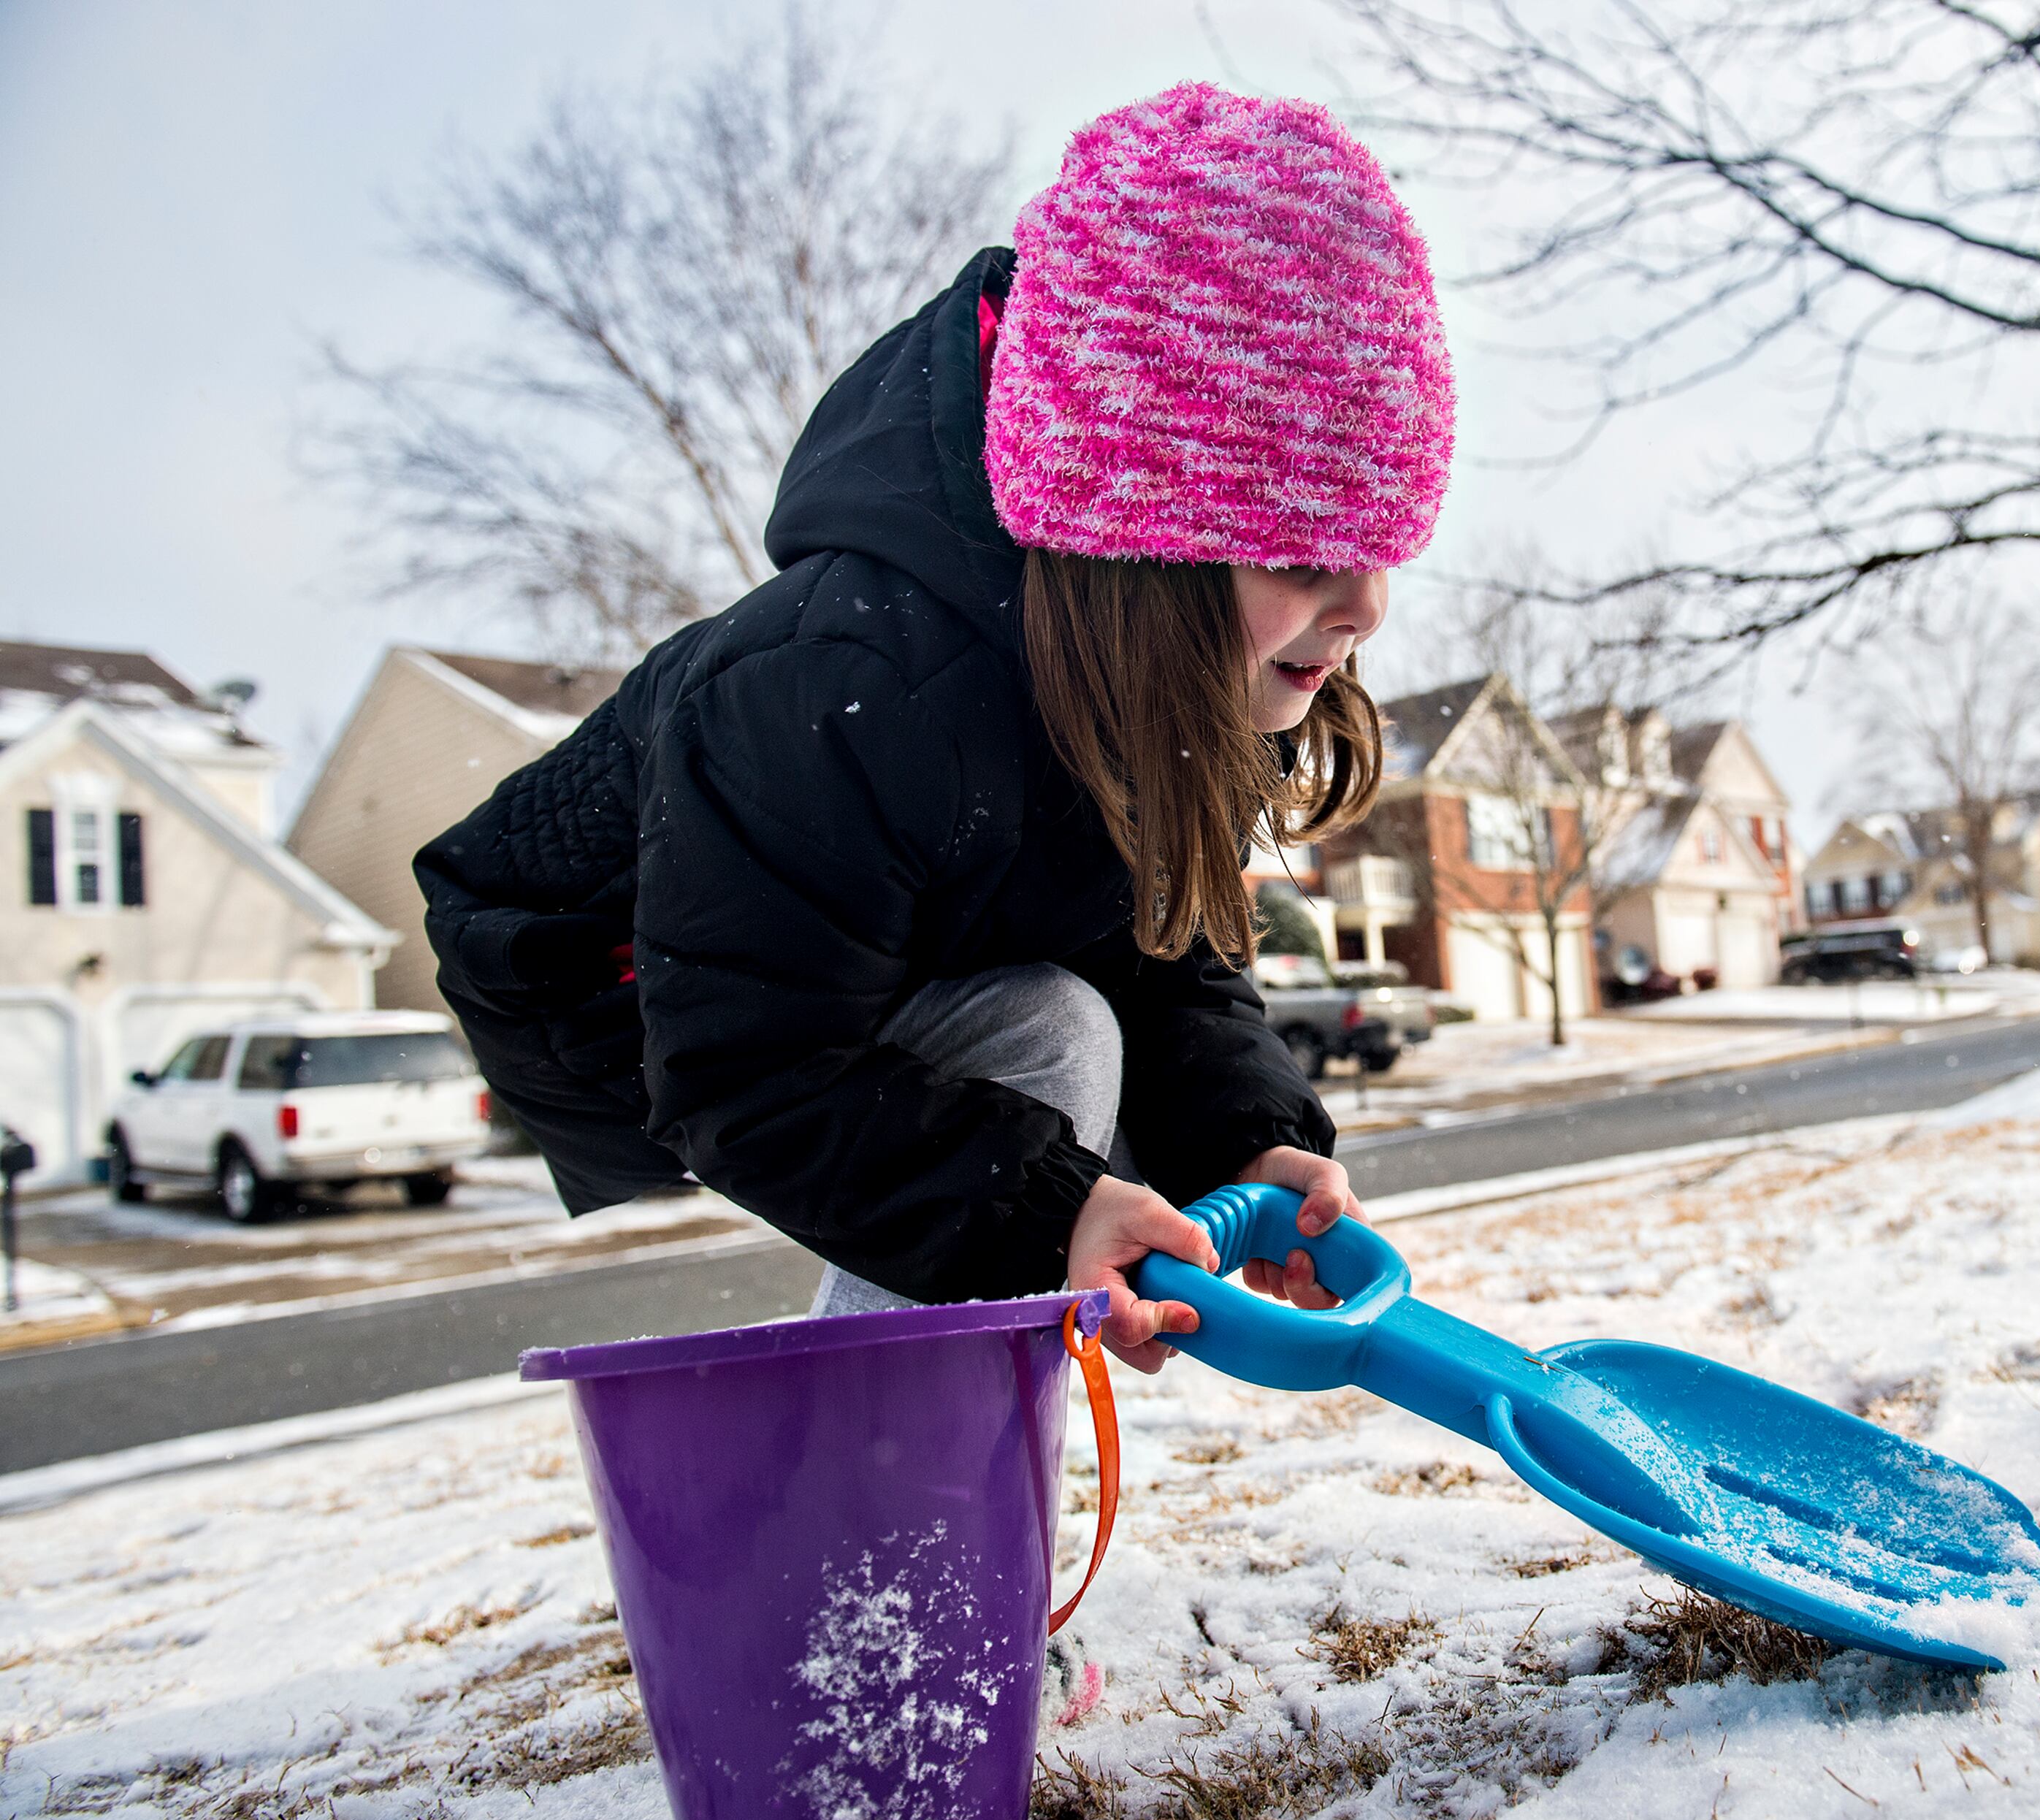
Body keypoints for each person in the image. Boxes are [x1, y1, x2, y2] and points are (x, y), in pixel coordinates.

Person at [415, 83, 1454, 1374]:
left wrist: (1241, 1137)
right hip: (611, 979)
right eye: (1305, 549)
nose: (1364, 606)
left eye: (1385, 545)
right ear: (1133, 547)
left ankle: (940, 1459)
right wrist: (1044, 1213)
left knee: (1090, 1100)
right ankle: (879, 1533)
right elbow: (752, 1067)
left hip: (868, 948)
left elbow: (1147, 942)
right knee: (1047, 1059)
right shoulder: (848, 684)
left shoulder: (1197, 674)